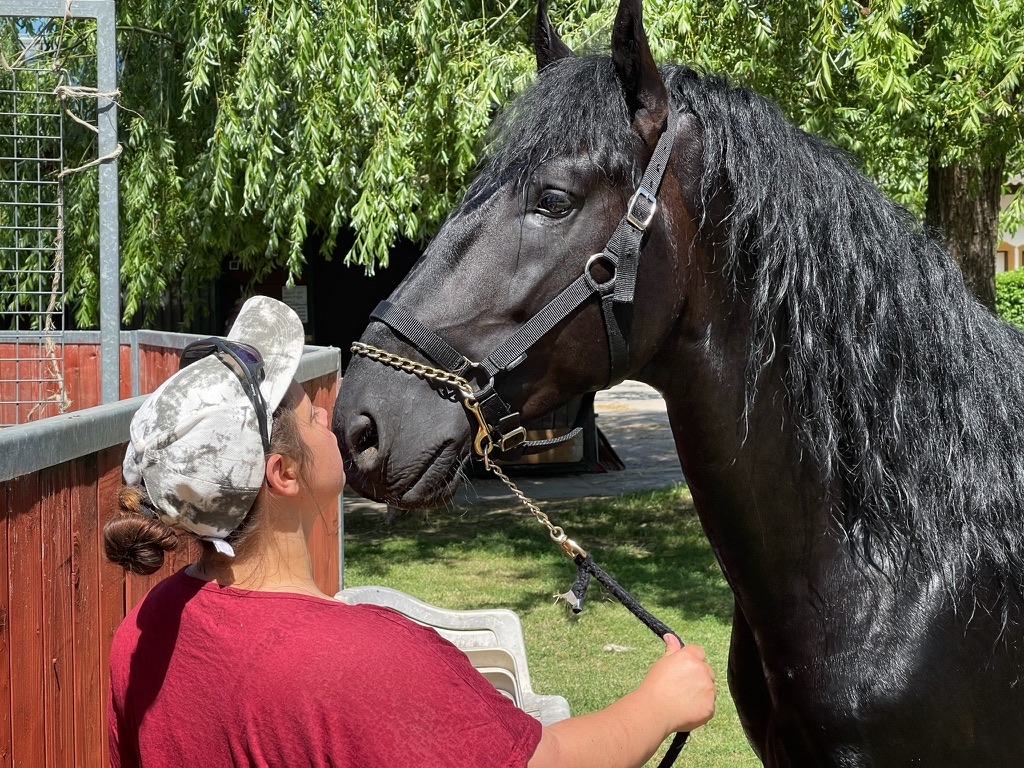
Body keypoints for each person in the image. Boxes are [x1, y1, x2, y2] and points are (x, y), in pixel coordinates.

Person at [104, 295, 716, 768]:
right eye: (303, 406)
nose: (325, 409)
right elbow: (542, 761)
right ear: (282, 473)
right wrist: (658, 705)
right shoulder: (364, 662)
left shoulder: (144, 632)